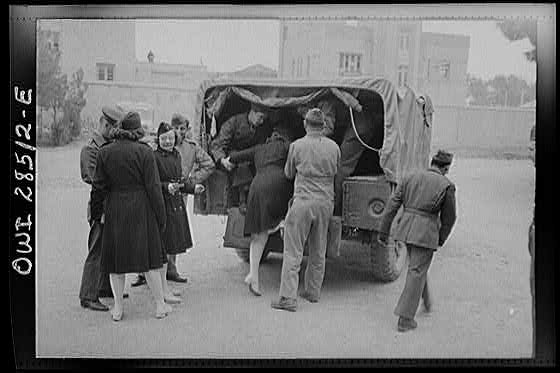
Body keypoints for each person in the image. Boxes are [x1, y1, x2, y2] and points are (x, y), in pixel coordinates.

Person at [91, 111, 171, 321]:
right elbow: (154, 188)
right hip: (141, 209)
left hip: (115, 208)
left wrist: (96, 214)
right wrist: (161, 217)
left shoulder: (105, 152)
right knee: (151, 260)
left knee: (116, 262)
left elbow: (98, 187)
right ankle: (160, 305)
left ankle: (118, 308)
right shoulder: (145, 152)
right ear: (137, 131)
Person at [131, 114, 215, 287]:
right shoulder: (155, 149)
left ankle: (171, 269)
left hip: (179, 195)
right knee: (155, 232)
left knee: (174, 232)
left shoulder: (191, 148)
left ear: (186, 129)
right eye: (174, 128)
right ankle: (145, 273)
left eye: (181, 129)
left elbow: (209, 164)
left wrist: (192, 182)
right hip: (159, 195)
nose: (177, 132)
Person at [378, 150, 457, 332]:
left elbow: (392, 206)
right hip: (425, 234)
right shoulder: (447, 185)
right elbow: (450, 218)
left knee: (417, 267)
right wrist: (441, 238)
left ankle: (427, 301)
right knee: (417, 270)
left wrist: (383, 232)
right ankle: (405, 319)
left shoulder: (409, 177)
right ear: (445, 168)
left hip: (406, 230)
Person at [271, 108, 340, 312]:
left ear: (305, 124)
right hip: (325, 203)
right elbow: (336, 171)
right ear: (324, 125)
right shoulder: (334, 147)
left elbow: (288, 173)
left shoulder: (297, 146)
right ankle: (312, 292)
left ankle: (288, 298)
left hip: (303, 201)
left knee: (293, 251)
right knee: (319, 248)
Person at [225, 123, 294, 296]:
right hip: (280, 185)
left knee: (258, 233)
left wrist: (226, 160)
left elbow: (235, 157)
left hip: (257, 186)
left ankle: (254, 275)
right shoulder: (289, 146)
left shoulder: (259, 148)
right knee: (284, 224)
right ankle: (287, 281)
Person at [78, 105, 127, 312]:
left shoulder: (107, 145)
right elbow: (93, 179)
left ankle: (105, 287)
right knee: (97, 249)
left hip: (112, 203)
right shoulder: (91, 149)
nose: (114, 132)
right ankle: (88, 295)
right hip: (100, 205)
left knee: (110, 246)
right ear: (105, 124)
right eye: (112, 127)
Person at [151, 122, 206, 303]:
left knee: (169, 248)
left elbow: (181, 179)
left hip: (175, 206)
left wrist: (192, 188)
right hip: (162, 206)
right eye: (164, 138)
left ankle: (165, 288)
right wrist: (166, 187)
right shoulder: (154, 157)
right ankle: (162, 291)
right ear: (158, 140)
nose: (167, 142)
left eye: (170, 138)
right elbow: (151, 184)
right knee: (162, 250)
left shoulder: (176, 155)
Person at [209, 102, 273, 211]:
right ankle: (242, 199)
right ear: (252, 112)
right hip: (232, 159)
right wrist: (222, 160)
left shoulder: (262, 128)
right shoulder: (233, 122)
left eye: (264, 119)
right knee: (240, 164)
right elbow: (217, 145)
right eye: (260, 117)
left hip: (253, 159)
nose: (261, 121)